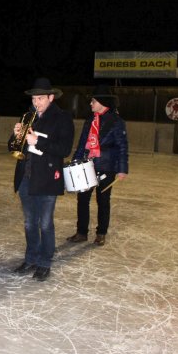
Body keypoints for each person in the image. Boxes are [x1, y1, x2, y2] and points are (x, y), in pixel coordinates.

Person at [10, 77, 74, 281]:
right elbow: (13, 147)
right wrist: (15, 136)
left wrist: (37, 141)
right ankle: (31, 258)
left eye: (40, 98)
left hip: (46, 178)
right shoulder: (28, 116)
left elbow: (63, 149)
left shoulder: (62, 118)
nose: (36, 102)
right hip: (26, 177)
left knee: (45, 224)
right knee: (30, 223)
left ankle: (45, 262)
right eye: (34, 98)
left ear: (51, 98)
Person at [66, 84, 129, 246]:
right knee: (83, 199)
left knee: (103, 200)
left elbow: (122, 146)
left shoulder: (116, 122)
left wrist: (122, 169)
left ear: (102, 102)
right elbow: (82, 144)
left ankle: (101, 233)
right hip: (87, 165)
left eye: (93, 101)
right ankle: (81, 232)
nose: (91, 104)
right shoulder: (90, 121)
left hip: (106, 166)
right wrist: (75, 161)